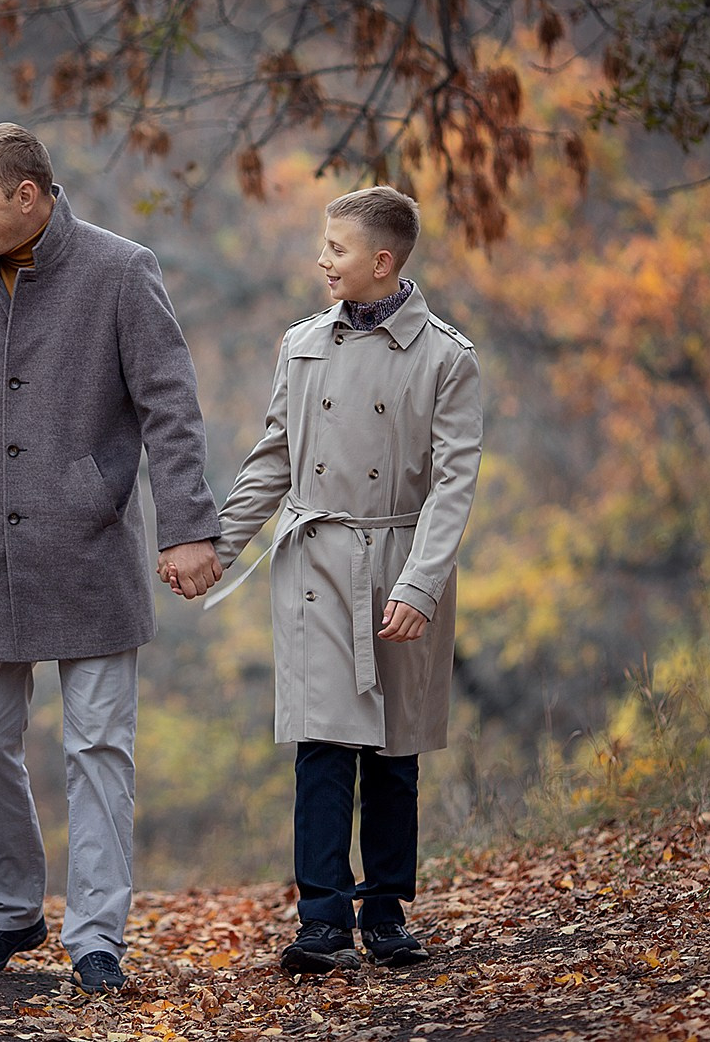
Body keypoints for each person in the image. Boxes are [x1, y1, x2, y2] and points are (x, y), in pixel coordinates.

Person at [0, 122, 223, 995]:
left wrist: (188, 525)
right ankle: (9, 911)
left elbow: (170, 408)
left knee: (99, 746)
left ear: (28, 195)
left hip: (92, 540)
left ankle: (98, 935)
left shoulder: (120, 268)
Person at [194, 186, 482, 975]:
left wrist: (421, 585)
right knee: (322, 744)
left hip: (398, 564)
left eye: (336, 249)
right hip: (316, 563)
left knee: (393, 752)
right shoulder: (302, 345)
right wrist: (217, 545)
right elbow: (274, 458)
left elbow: (455, 484)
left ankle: (385, 914)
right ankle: (321, 919)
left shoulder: (446, 358)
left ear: (380, 261)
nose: (322, 260)